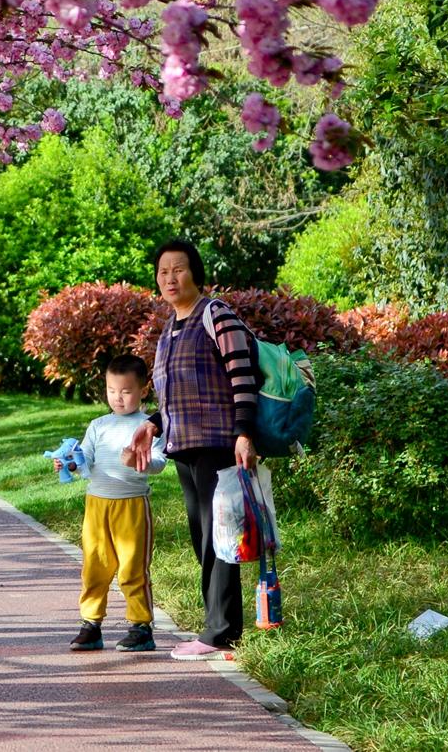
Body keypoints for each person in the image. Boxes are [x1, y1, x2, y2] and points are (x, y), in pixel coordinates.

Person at [122, 240, 259, 661]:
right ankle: (218, 625)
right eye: (163, 272)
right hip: (186, 446)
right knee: (205, 538)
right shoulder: (170, 328)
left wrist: (245, 432)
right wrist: (151, 425)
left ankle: (219, 632)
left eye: (178, 269)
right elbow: (172, 396)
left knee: (219, 538)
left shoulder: (214, 314)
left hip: (217, 443)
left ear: (195, 273)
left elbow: (242, 374)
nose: (169, 278)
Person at [64, 354, 168, 654]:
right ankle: (91, 624)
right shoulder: (98, 425)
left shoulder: (149, 427)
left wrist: (140, 462)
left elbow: (160, 462)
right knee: (94, 566)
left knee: (132, 568)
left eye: (125, 391)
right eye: (112, 391)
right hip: (97, 505)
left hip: (131, 505)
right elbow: (85, 460)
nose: (118, 398)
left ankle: (141, 627)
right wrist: (70, 463)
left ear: (143, 390)